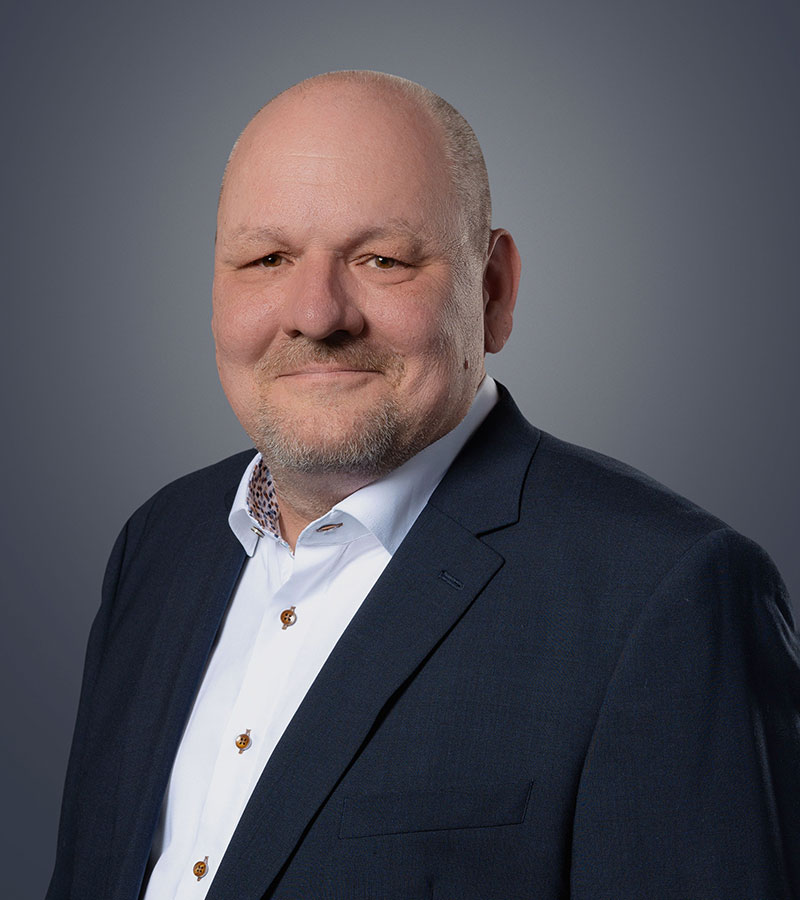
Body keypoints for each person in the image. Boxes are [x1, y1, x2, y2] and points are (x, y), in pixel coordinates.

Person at [47, 70, 799, 900]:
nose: (317, 314)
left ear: (494, 290)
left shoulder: (665, 595)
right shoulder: (160, 544)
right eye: (267, 259)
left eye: (382, 259)